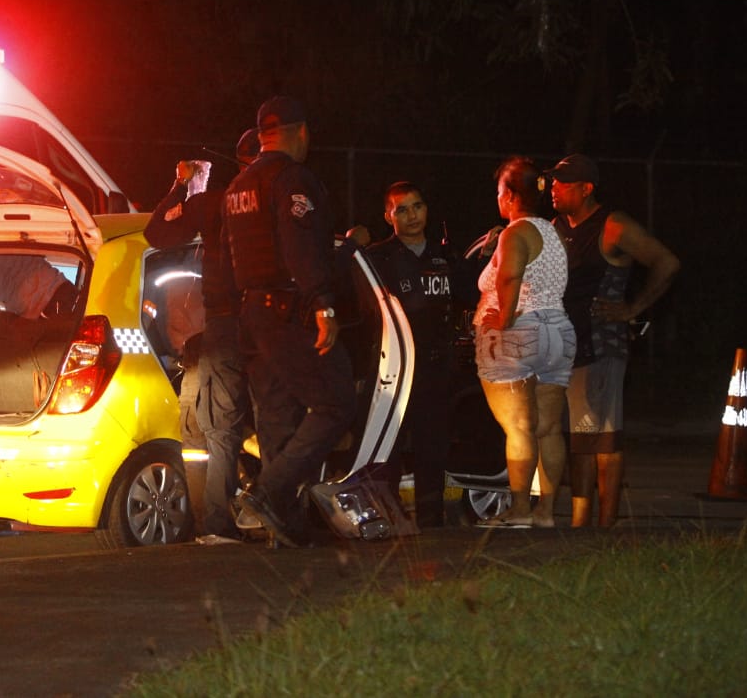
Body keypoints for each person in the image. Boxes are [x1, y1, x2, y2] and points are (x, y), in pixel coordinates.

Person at [221, 96, 357, 547]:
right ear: (300, 132)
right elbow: (300, 248)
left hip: (251, 315)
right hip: (288, 310)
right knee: (336, 402)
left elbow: (226, 259)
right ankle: (267, 491)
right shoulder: (292, 180)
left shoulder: (237, 186)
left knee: (276, 416)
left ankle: (285, 526)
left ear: (262, 136)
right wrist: (324, 305)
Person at [548, 154, 680, 528]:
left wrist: (632, 307)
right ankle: (579, 524)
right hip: (568, 346)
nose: (553, 189)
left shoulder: (612, 225)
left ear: (586, 189)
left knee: (603, 438)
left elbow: (666, 262)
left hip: (603, 344)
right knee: (579, 438)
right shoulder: (558, 227)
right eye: (553, 182)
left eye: (563, 183)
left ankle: (604, 527)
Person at [346, 181, 465, 527]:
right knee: (388, 448)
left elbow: (474, 292)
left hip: (436, 368)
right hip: (393, 370)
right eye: (402, 209)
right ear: (388, 216)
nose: (411, 216)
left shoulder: (446, 256)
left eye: (417, 206)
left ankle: (432, 520)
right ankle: (387, 519)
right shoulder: (377, 258)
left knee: (433, 447)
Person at [145, 152, 251, 542]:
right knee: (217, 432)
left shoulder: (208, 211)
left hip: (205, 343)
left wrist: (181, 186)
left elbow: (158, 231)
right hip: (228, 337)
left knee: (199, 435)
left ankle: (208, 525)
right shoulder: (252, 208)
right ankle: (216, 525)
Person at [473, 157, 575, 529]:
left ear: (513, 195)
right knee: (548, 427)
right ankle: (545, 513)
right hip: (557, 334)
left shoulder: (515, 233)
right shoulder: (552, 231)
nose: (498, 199)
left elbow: (510, 281)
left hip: (519, 335)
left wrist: (501, 320)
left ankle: (518, 511)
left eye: (501, 191)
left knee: (518, 428)